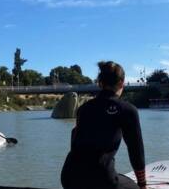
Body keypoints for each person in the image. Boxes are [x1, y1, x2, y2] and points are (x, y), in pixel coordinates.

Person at [61, 61, 146, 189]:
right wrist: (142, 184)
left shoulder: (84, 109)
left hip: (69, 177)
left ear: (100, 83)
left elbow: (74, 140)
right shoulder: (128, 110)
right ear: (121, 83)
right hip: (102, 181)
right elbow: (136, 150)